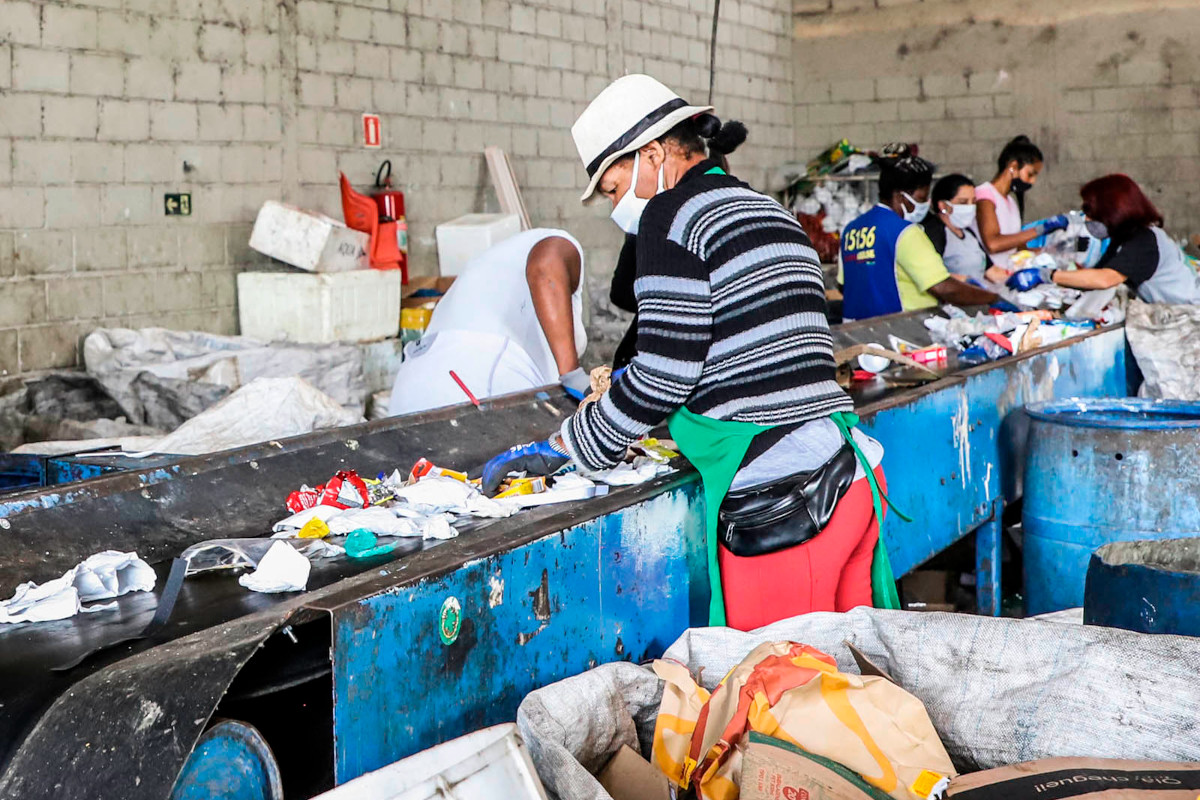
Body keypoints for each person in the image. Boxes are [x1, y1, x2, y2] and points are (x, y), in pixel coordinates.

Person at [480, 74, 903, 631]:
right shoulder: (767, 211)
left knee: (777, 696)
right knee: (847, 686)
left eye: (611, 188)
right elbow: (736, 343)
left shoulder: (669, 217)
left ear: (653, 154)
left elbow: (664, 376)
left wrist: (566, 446)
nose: (614, 206)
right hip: (850, 479)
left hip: (787, 502)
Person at [387, 229, 590, 415]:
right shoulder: (560, 243)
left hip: (410, 387)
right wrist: (572, 374)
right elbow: (544, 267)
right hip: (479, 382)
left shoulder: (495, 270)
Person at [838, 144, 999, 320]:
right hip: (901, 330)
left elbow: (843, 285)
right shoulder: (904, 232)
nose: (925, 204)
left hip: (857, 330)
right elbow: (944, 288)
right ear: (900, 197)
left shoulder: (852, 229)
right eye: (921, 198)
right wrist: (993, 298)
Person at [1007, 174, 1200, 305]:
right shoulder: (1123, 238)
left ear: (1113, 212)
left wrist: (1046, 275)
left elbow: (1105, 279)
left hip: (1190, 313)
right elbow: (1095, 274)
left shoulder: (1144, 240)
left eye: (1091, 213)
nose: (1087, 220)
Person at [975, 135, 1069, 268]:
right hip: (989, 279)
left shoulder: (1010, 202)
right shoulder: (984, 195)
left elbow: (1019, 249)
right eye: (1030, 174)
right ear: (1013, 166)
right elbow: (993, 244)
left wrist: (1054, 251)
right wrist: (1040, 229)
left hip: (1008, 275)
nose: (1032, 181)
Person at [921, 174, 1011, 286]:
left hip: (975, 298)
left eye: (973, 202)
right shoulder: (934, 233)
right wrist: (967, 281)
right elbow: (931, 275)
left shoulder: (968, 234)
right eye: (963, 202)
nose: (970, 207)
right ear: (943, 205)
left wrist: (1014, 276)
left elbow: (992, 272)